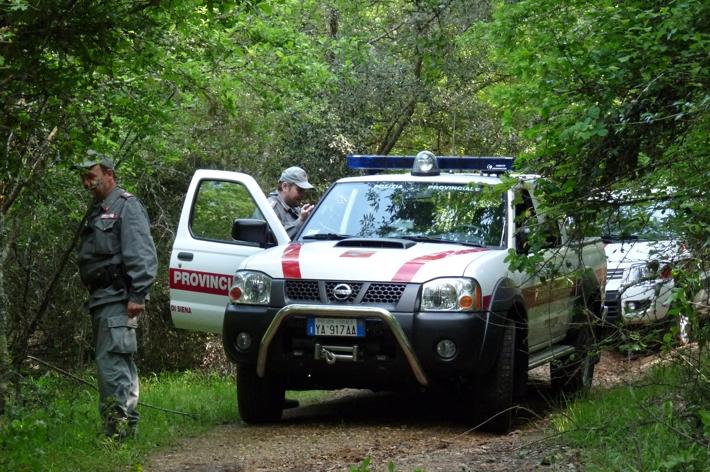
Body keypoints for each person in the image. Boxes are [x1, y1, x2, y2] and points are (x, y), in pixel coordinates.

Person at [76, 150, 158, 439]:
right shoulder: (99, 208)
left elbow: (142, 253)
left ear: (109, 175)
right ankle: (125, 430)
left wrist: (138, 294)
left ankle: (117, 432)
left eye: (92, 177)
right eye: (84, 178)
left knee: (112, 365)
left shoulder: (126, 207)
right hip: (102, 299)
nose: (87, 183)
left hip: (118, 298)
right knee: (118, 363)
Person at [268, 166, 315, 238]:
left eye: (304, 191)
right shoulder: (270, 209)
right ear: (285, 186)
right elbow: (274, 239)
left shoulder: (294, 207)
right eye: (300, 190)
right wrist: (300, 221)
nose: (303, 195)